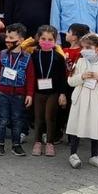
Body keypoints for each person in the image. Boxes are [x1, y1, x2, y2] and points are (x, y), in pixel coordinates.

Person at [65, 33, 98, 169]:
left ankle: (95, 155)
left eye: (88, 48)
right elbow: (70, 81)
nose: (84, 50)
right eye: (83, 47)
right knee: (77, 125)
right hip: (81, 100)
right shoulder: (79, 62)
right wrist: (81, 77)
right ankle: (73, 154)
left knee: (96, 127)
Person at [0, 23, 34, 157]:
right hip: (2, 92)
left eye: (11, 38)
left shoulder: (27, 57)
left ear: (20, 40)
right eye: (7, 37)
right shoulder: (1, 55)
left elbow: (30, 77)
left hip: (19, 93)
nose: (7, 40)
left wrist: (29, 94)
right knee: (2, 119)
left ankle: (16, 145)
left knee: (17, 119)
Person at [29, 25, 68, 158]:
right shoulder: (34, 55)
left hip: (53, 92)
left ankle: (50, 142)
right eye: (43, 38)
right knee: (38, 118)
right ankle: (37, 142)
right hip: (38, 91)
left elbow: (63, 77)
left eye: (50, 39)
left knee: (50, 117)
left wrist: (62, 93)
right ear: (38, 39)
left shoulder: (58, 57)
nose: (46, 41)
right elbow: (30, 75)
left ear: (55, 40)